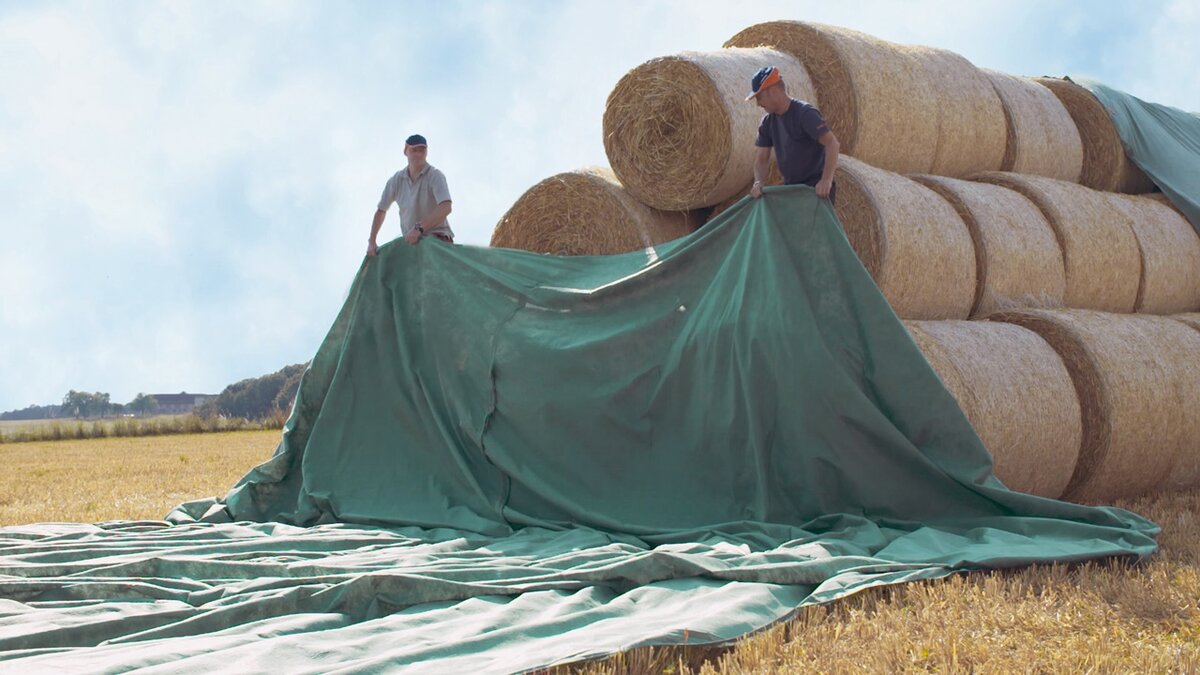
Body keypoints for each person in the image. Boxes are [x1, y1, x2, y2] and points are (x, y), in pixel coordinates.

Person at [746, 66, 840, 203]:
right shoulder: (767, 123)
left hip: (816, 190)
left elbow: (832, 144)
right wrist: (758, 182)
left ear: (773, 91)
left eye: (759, 97)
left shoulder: (805, 114)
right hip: (792, 190)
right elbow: (761, 159)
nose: (758, 104)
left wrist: (826, 180)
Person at [367, 134, 454, 256]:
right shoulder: (396, 181)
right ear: (405, 151)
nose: (418, 154)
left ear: (427, 152)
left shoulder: (435, 175)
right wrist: (372, 242)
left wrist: (419, 228)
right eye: (414, 150)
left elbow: (446, 207)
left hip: (438, 240)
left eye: (422, 150)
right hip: (412, 244)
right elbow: (381, 210)